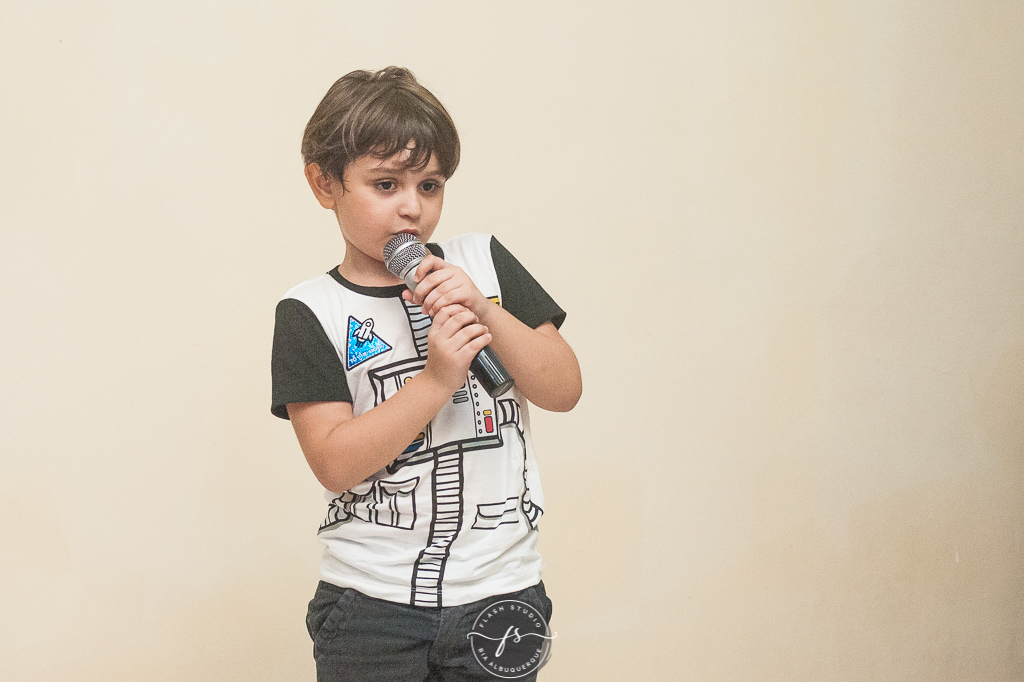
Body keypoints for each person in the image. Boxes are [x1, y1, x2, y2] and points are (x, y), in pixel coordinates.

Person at [271, 66, 582, 681]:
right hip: (372, 605)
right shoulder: (311, 312)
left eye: (430, 185)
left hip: (502, 592)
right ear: (324, 183)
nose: (412, 207)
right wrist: (435, 382)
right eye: (385, 184)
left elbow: (563, 389)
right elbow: (334, 462)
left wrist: (483, 314)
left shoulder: (482, 262)